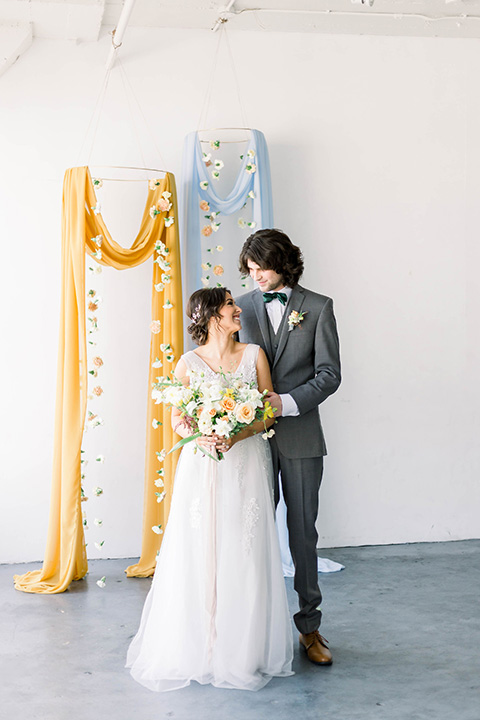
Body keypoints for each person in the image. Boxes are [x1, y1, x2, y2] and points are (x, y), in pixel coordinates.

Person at [126, 287, 294, 692]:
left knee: (244, 546)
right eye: (230, 305)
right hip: (201, 468)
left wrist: (237, 434)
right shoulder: (188, 363)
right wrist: (199, 435)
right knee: (199, 547)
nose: (239, 309)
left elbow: (269, 411)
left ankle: (242, 648)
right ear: (213, 316)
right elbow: (178, 418)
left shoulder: (254, 356)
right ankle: (199, 644)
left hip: (246, 461)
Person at [236, 228, 341, 666]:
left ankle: (310, 629)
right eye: (251, 269)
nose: (255, 276)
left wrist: (288, 402)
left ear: (284, 262)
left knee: (302, 535)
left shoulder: (318, 308)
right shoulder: (238, 307)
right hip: (251, 442)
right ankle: (252, 632)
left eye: (262, 267)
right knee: (250, 536)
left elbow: (329, 374)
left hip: (301, 439)